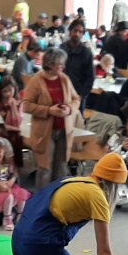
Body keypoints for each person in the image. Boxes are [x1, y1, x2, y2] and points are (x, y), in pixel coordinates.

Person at [25, 48, 80, 190]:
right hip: (45, 132)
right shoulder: (36, 81)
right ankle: (41, 199)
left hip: (63, 130)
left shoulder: (64, 79)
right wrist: (49, 110)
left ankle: (57, 198)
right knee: (45, 168)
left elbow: (76, 99)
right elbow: (27, 105)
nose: (63, 67)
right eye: (60, 64)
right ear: (50, 64)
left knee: (61, 168)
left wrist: (69, 109)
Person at [61, 20, 94, 112]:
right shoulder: (61, 49)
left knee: (77, 119)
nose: (77, 34)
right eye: (75, 30)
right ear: (70, 30)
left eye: (80, 32)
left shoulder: (86, 53)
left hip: (77, 94)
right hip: (61, 91)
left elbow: (90, 77)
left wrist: (81, 96)